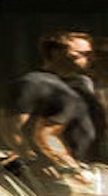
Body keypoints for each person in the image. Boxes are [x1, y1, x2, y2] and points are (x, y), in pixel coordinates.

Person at [12, 31, 100, 171]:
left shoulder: (82, 84)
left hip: (85, 167)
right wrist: (42, 162)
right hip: (58, 170)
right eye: (82, 53)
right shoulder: (33, 83)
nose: (90, 59)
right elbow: (14, 130)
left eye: (90, 54)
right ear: (56, 53)